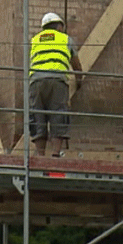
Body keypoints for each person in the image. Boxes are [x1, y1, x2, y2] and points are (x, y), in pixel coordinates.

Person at [27, 12, 83, 156]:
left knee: (38, 117)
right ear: (59, 26)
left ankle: (40, 155)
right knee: (58, 115)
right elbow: (76, 65)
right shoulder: (65, 39)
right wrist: (79, 80)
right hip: (57, 82)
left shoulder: (35, 40)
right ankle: (55, 154)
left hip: (36, 83)